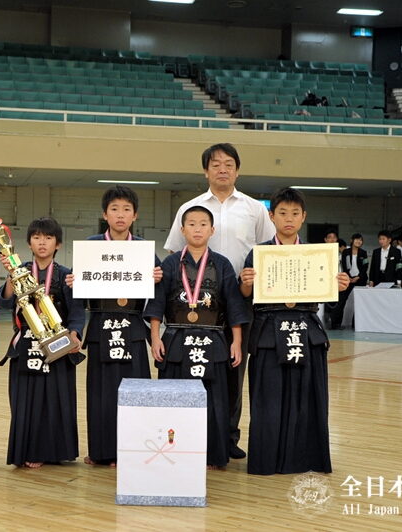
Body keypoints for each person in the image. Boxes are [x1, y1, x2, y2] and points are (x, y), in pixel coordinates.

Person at [164, 143, 275, 460]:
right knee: (192, 368)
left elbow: (270, 252)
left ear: (237, 170)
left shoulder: (254, 208)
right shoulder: (190, 207)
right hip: (193, 306)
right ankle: (190, 434)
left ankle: (227, 436)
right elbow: (175, 253)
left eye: (228, 164)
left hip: (240, 303)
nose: (222, 169)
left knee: (232, 369)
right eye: (215, 164)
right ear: (205, 171)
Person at [239, 187, 350, 475]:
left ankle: (307, 458)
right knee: (269, 398)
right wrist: (247, 282)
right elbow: (245, 294)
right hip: (267, 330)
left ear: (304, 217)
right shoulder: (258, 253)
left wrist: (339, 285)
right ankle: (266, 459)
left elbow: (325, 293)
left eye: (295, 213)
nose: (289, 219)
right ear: (271, 216)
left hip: (305, 328)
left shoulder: (317, 253)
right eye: (283, 213)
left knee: (307, 397)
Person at [146, 206, 249, 470]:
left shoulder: (222, 264)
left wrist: (236, 341)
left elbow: (234, 305)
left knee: (214, 399)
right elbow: (157, 303)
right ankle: (173, 449)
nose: (197, 229)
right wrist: (155, 336)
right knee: (174, 399)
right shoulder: (169, 264)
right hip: (176, 339)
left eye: (203, 224)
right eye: (191, 224)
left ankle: (213, 454)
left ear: (212, 231)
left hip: (213, 340)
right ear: (182, 230)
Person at [69, 185, 163, 467]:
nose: (120, 215)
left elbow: (158, 297)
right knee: (101, 393)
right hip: (100, 326)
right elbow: (81, 294)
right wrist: (76, 284)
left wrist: (158, 278)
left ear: (135, 215)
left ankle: (133, 450)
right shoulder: (92, 246)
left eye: (126, 209)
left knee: (135, 391)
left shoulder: (145, 250)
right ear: (104, 214)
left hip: (133, 327)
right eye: (114, 209)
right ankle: (100, 451)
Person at [0, 217, 85, 469]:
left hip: (58, 343)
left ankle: (55, 451)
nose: (42, 242)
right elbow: (3, 303)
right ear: (29, 242)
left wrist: (76, 334)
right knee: (26, 399)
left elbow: (77, 311)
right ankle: (28, 449)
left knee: (57, 398)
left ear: (58, 243)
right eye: (37, 237)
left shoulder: (67, 275)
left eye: (48, 237)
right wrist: (12, 278)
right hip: (26, 344)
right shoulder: (20, 269)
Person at [331, 233, 367, 329]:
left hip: (360, 279)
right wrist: (348, 277)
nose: (358, 242)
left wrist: (359, 277)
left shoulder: (363, 253)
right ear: (352, 240)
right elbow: (343, 265)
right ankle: (336, 323)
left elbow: (365, 267)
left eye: (360, 240)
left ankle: (356, 324)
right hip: (347, 279)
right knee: (341, 301)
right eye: (356, 240)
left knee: (360, 302)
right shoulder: (346, 252)